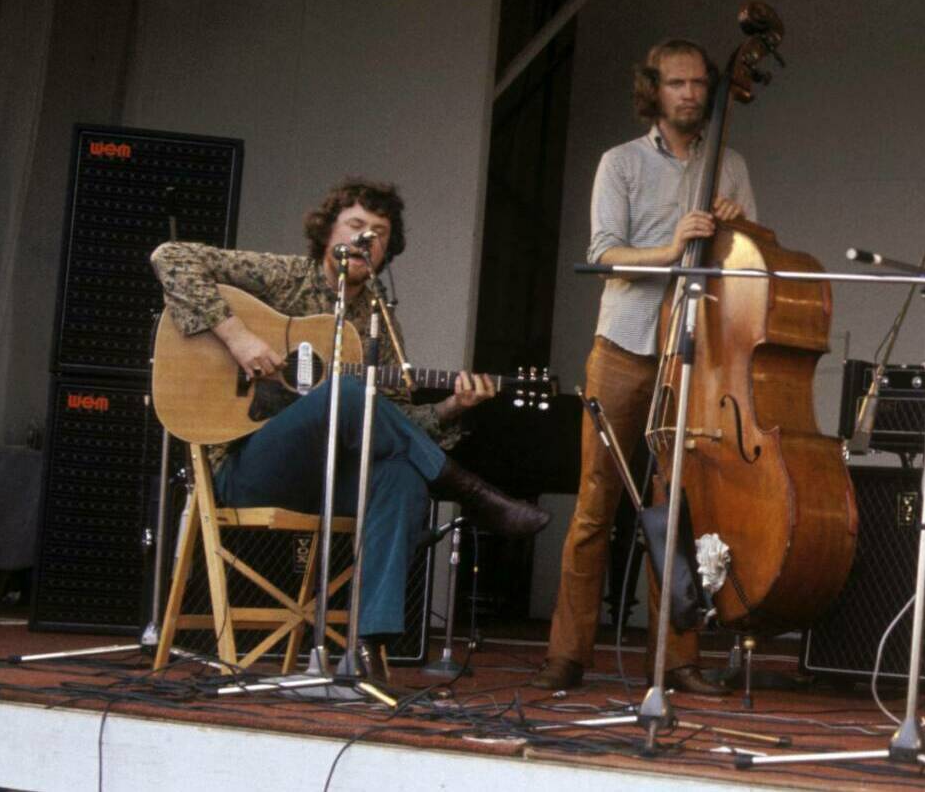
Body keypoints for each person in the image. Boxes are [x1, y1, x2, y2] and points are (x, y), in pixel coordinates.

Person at [150, 177, 548, 655]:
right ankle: (468, 489)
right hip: (245, 467)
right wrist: (238, 337)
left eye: (378, 233)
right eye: (355, 226)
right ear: (327, 233)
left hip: (323, 481)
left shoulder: (379, 320)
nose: (367, 239)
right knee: (347, 388)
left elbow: (391, 421)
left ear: (387, 251)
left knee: (400, 472)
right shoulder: (283, 276)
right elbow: (169, 258)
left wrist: (452, 407)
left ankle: (367, 645)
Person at [532, 39, 755, 695]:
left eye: (697, 84)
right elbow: (604, 253)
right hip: (626, 346)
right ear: (652, 89)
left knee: (677, 505)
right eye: (676, 83)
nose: (689, 94)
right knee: (596, 503)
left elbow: (746, 265)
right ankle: (567, 654)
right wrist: (673, 245)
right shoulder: (621, 163)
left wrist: (735, 229)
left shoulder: (730, 163)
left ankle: (677, 659)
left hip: (693, 354)